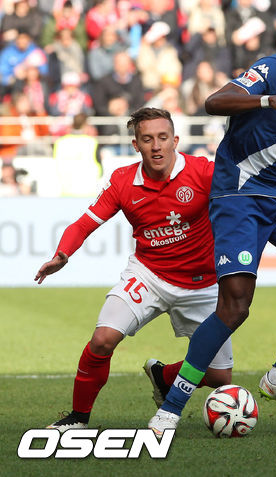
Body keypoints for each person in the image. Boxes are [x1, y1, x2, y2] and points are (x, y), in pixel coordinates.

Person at [149, 20, 276, 436]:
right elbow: (213, 102)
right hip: (239, 194)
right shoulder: (274, 69)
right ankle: (170, 408)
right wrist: (264, 100)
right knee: (235, 307)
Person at [36, 107, 235, 431]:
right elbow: (84, 224)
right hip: (149, 275)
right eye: (147, 139)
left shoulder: (203, 172)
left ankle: (164, 376)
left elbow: (258, 197)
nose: (156, 146)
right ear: (135, 145)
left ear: (175, 140)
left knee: (218, 376)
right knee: (102, 339)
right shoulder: (123, 181)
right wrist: (63, 254)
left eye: (162, 138)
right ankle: (78, 418)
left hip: (203, 285)